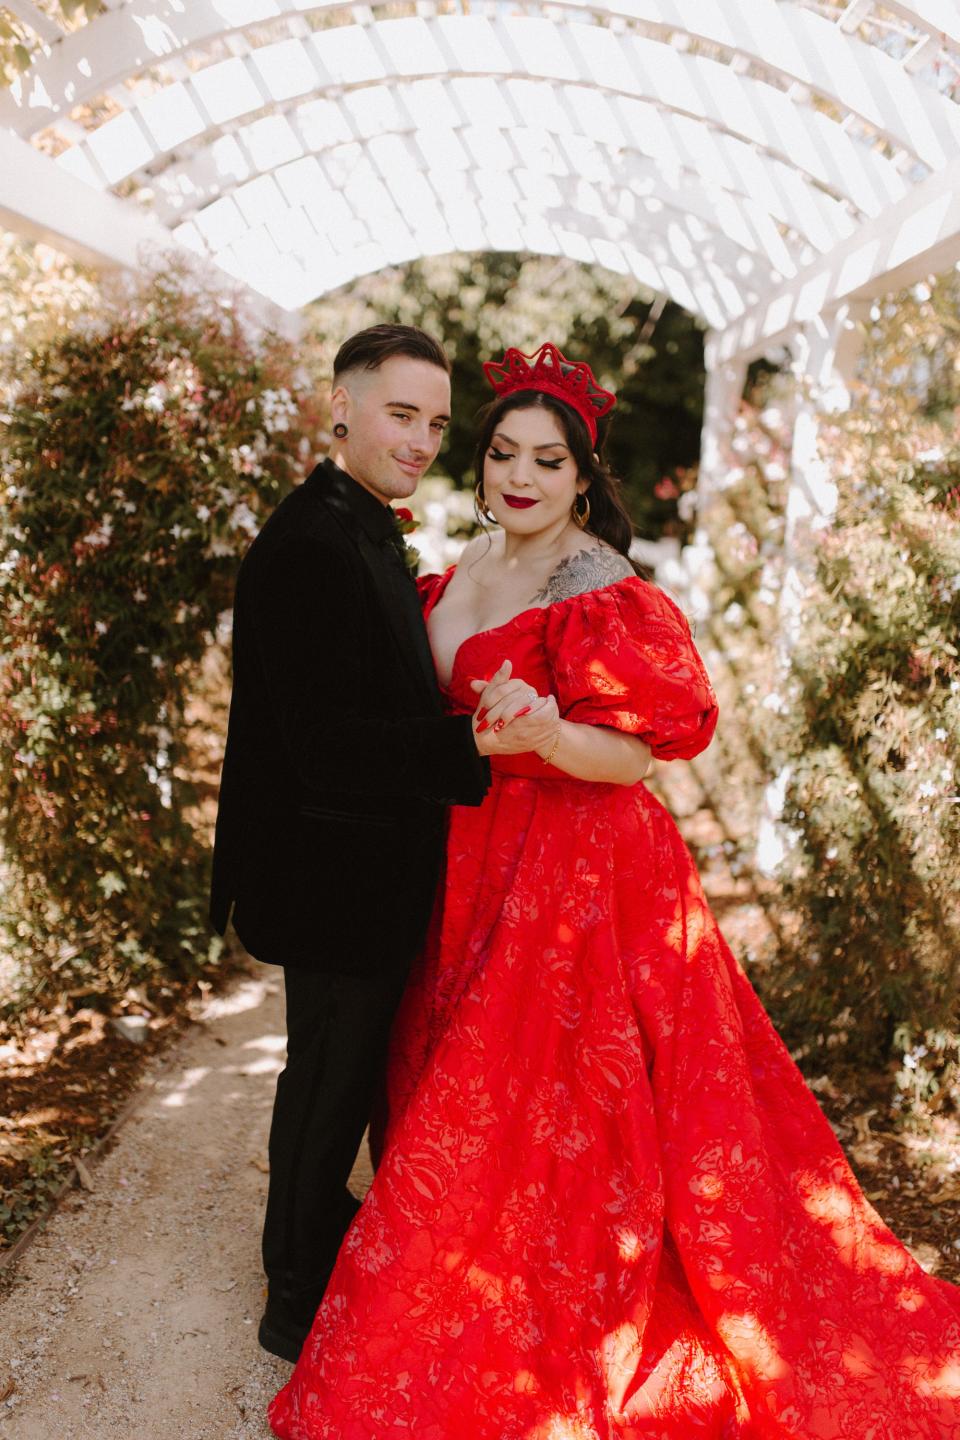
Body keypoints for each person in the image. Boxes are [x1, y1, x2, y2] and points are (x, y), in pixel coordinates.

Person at [269, 342, 960, 1438]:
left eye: (548, 460)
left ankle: (568, 1295)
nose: (520, 476)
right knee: (453, 1078)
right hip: (463, 863)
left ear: (583, 479)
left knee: (554, 1101)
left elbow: (635, 757)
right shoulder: (452, 572)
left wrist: (547, 730)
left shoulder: (603, 590)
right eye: (501, 452)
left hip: (572, 870)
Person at [209, 324, 555, 1364]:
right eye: (401, 415)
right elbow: (324, 748)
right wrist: (471, 742)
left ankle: (313, 1240)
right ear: (344, 406)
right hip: (330, 870)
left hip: (361, 865)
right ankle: (294, 1296)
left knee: (344, 1072)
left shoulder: (360, 525)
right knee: (326, 1076)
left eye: (437, 424)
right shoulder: (314, 543)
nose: (420, 441)